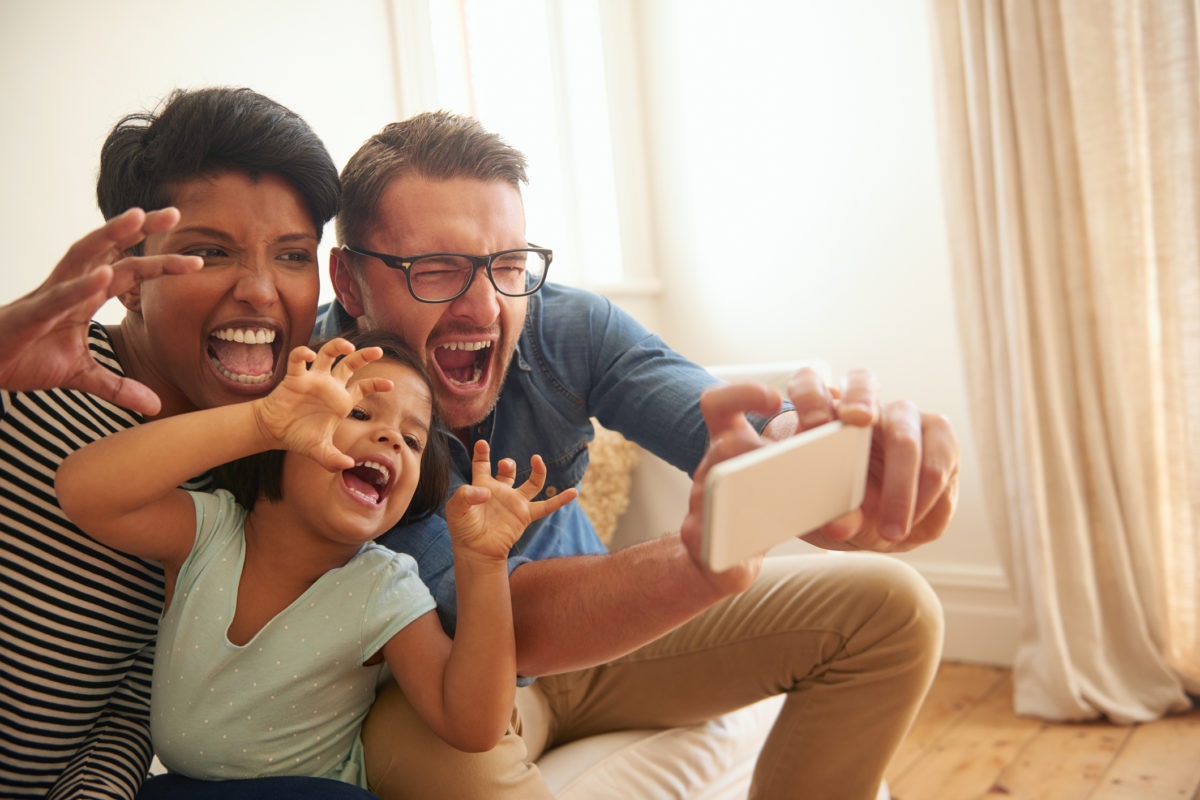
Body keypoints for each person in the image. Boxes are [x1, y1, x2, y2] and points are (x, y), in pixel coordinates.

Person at [317, 110, 960, 800]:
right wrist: (697, 562)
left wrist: (821, 458)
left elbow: (719, 419)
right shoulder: (319, 405)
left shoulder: (564, 326)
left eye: (508, 265)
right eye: (438, 270)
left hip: (617, 647)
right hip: (473, 681)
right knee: (413, 750)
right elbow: (513, 619)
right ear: (350, 283)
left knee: (895, 610)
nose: (486, 306)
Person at [0, 86, 340, 799]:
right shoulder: (30, 382)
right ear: (129, 276)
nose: (259, 289)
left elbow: (129, 705)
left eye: (292, 255)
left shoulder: (266, 474)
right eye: (209, 252)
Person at [55, 332, 578, 794]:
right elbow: (84, 491)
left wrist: (483, 565)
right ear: (284, 435)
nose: (392, 438)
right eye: (359, 413)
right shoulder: (210, 531)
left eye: (413, 440)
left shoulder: (382, 586)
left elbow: (473, 725)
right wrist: (257, 422)